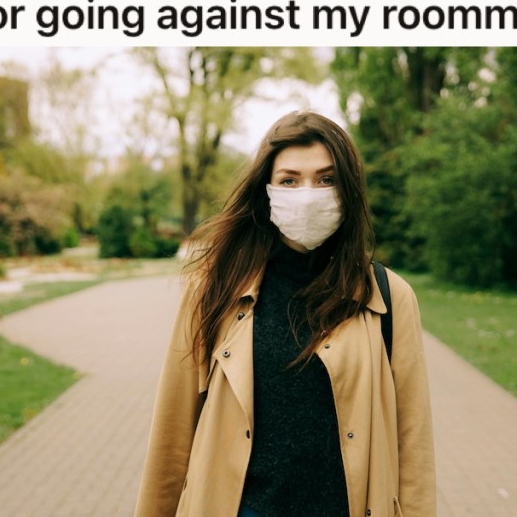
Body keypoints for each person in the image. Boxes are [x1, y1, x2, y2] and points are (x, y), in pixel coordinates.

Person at [134, 111, 435, 517]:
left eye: (326, 180)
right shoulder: (214, 289)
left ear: (348, 191)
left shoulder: (388, 297)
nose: (308, 194)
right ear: (267, 190)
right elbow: (172, 432)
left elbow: (412, 444)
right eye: (290, 180)